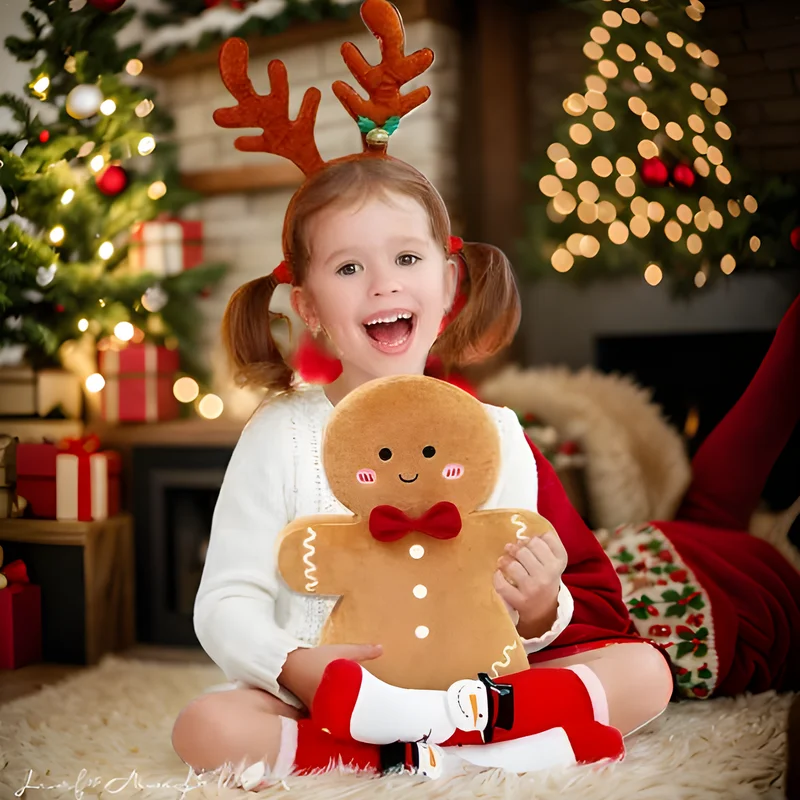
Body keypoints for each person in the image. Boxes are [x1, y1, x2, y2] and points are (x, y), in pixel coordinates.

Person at [170, 0, 673, 786]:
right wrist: (298, 668)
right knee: (206, 725)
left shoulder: (498, 432)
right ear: (307, 308)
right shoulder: (281, 433)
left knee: (646, 672)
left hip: (484, 685)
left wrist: (542, 608)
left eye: (406, 259)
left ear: (447, 282)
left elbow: (544, 614)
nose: (382, 285)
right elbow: (225, 600)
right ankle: (396, 743)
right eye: (347, 269)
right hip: (334, 696)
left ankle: (447, 737)